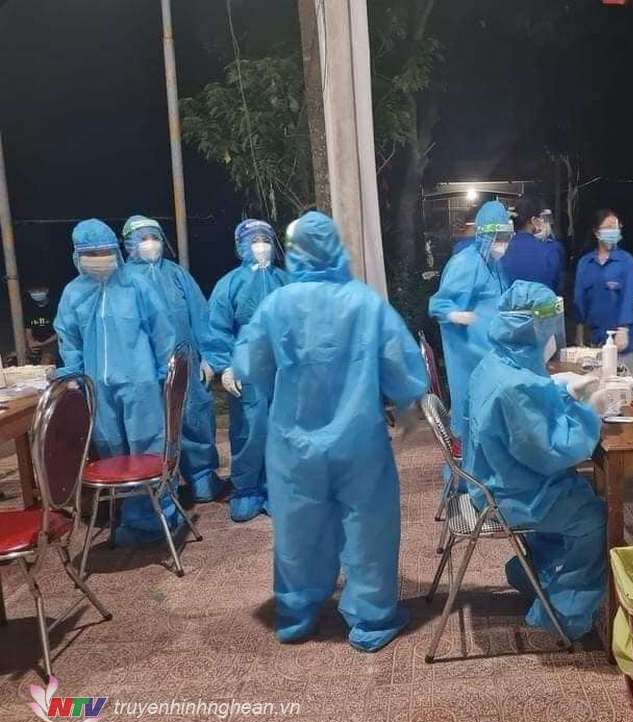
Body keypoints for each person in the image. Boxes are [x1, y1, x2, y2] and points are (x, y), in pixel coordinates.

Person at [231, 210, 427, 650]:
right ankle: (372, 618)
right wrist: (407, 404)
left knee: (298, 529)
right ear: (336, 247)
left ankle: (297, 613)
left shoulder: (277, 304)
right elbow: (401, 366)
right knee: (368, 527)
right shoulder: (365, 303)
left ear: (294, 251)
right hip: (359, 439)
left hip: (294, 442)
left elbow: (250, 365)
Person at [465, 280, 606, 640]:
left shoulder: (496, 363)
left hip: (493, 478)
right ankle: (560, 613)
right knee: (597, 520)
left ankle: (536, 576)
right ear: (534, 325)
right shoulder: (513, 387)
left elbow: (528, 402)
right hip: (514, 494)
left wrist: (560, 389)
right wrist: (589, 413)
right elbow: (550, 452)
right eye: (548, 322)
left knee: (577, 497)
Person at [54, 219, 183, 544]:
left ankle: (160, 514)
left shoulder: (137, 286)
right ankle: (131, 515)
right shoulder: (73, 293)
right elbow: (68, 337)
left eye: (105, 252)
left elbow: (162, 332)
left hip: (140, 382)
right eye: (91, 253)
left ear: (116, 250)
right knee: (112, 449)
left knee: (149, 446)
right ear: (78, 256)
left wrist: (164, 373)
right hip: (97, 387)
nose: (100, 258)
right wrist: (73, 372)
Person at [120, 216, 222, 502]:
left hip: (186, 364)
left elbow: (200, 316)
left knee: (194, 418)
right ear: (128, 244)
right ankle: (163, 489)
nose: (151, 244)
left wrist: (209, 357)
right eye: (143, 238)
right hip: (144, 370)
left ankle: (201, 477)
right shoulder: (122, 281)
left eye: (155, 237)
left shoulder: (177, 275)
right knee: (155, 429)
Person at [203, 219, 290, 522]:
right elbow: (217, 329)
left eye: (266, 240)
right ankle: (246, 489)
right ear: (241, 246)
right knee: (248, 429)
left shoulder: (286, 281)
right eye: (254, 240)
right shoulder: (229, 285)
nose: (261, 246)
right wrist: (225, 366)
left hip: (284, 368)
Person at [428, 199, 511, 445]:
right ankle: (472, 467)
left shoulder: (495, 265)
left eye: (506, 237)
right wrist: (454, 314)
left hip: (491, 353)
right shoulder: (466, 263)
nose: (502, 244)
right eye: (498, 237)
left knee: (492, 420)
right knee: (474, 418)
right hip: (469, 354)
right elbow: (439, 304)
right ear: (484, 234)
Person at [573, 209, 633, 371]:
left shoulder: (626, 261)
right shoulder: (585, 263)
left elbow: (629, 297)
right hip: (595, 338)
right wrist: (579, 333)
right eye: (608, 227)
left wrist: (623, 329)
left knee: (622, 382)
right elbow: (579, 299)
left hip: (621, 339)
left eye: (616, 227)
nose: (613, 231)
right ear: (597, 232)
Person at [500, 196, 563, 294]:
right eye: (545, 219)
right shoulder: (552, 249)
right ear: (534, 220)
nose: (548, 223)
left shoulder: (500, 250)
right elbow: (559, 288)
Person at [23, 285, 58, 365]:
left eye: (40, 290)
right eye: (34, 291)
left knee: (46, 361)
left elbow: (59, 333)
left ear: (47, 290)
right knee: (15, 357)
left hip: (53, 342)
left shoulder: (55, 307)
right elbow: (28, 328)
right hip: (35, 342)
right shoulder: (29, 308)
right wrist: (31, 342)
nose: (37, 293)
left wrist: (43, 344)